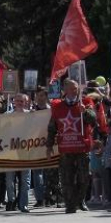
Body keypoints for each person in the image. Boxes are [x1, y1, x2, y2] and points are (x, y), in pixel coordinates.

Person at [47, 79, 97, 213]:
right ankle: (70, 204)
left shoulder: (86, 102)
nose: (76, 90)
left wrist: (85, 112)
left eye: (77, 88)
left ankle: (80, 200)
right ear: (65, 90)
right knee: (66, 178)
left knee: (84, 177)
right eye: (73, 88)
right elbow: (52, 127)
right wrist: (49, 144)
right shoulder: (57, 106)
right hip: (66, 147)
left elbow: (93, 120)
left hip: (81, 146)